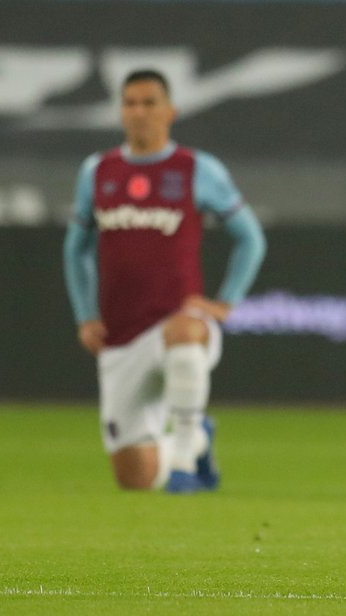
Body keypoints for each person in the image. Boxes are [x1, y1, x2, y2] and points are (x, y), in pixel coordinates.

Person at [64, 69, 266, 493]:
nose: (139, 112)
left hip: (181, 322)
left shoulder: (197, 169)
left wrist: (226, 303)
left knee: (184, 327)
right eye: (130, 103)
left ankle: (183, 459)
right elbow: (76, 248)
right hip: (121, 334)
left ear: (170, 111)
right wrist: (85, 316)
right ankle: (194, 440)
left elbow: (250, 238)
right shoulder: (99, 171)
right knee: (133, 477)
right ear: (121, 111)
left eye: (149, 102)